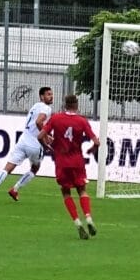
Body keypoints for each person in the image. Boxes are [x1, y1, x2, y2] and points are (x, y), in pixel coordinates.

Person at [41, 93, 99, 239]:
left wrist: (47, 147)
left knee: (66, 192)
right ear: (76, 105)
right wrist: (92, 149)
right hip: (78, 161)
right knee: (82, 190)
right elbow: (97, 142)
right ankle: (89, 218)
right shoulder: (82, 121)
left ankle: (77, 223)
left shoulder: (55, 118)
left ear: (65, 105)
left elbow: (40, 135)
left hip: (61, 162)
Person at [0, 86, 54, 204]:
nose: (51, 96)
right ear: (42, 96)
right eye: (48, 94)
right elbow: (39, 122)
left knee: (8, 168)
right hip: (34, 144)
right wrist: (46, 136)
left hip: (22, 140)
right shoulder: (46, 108)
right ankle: (15, 189)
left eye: (51, 94)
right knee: (35, 168)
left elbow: (35, 121)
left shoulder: (35, 106)